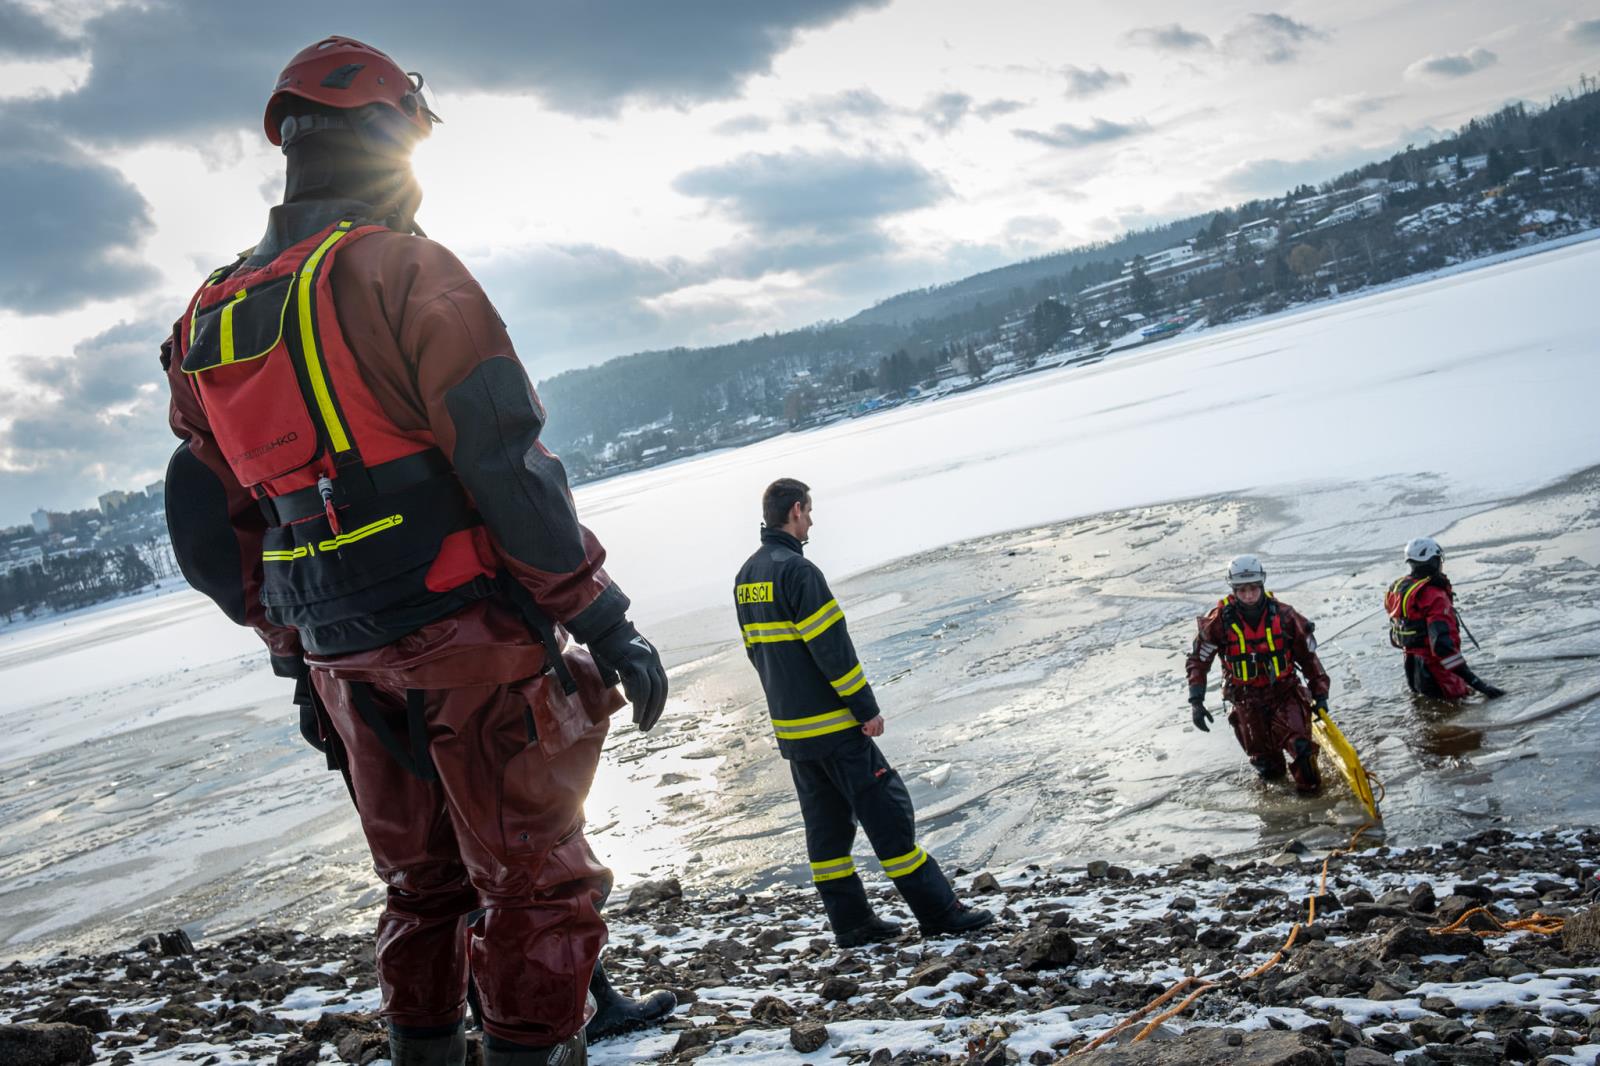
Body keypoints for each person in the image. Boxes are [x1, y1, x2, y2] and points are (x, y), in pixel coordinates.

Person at [161, 36, 670, 1066]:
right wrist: (602, 616)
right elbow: (505, 460)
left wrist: (294, 657)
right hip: (464, 635)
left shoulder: (205, 320)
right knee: (538, 885)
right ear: (389, 133)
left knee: (423, 887)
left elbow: (213, 522)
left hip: (339, 653)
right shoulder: (403, 270)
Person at [733, 478, 994, 946]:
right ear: (796, 511)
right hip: (835, 727)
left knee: (827, 831)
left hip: (794, 734)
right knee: (887, 812)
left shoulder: (747, 576)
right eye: (809, 512)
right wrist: (865, 708)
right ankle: (939, 911)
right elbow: (832, 649)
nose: (812, 522)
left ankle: (851, 923)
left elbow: (757, 653)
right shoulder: (798, 572)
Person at [1186, 555, 1328, 794]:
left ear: (1262, 585)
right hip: (1246, 699)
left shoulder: (1285, 616)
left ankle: (1312, 800)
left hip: (1285, 692)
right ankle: (1282, 807)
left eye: (1253, 588)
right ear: (1234, 590)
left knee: (1302, 750)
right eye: (1242, 590)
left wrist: (1320, 693)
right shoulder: (1218, 623)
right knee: (1268, 767)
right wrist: (1196, 701)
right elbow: (1198, 661)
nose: (1249, 595)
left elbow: (1308, 657)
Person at [1385, 537, 1505, 701]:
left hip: (1412, 668)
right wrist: (1480, 685)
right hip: (1436, 672)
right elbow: (1442, 648)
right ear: (1434, 561)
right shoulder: (1434, 596)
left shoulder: (1398, 589)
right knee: (1455, 709)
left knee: (1427, 707)